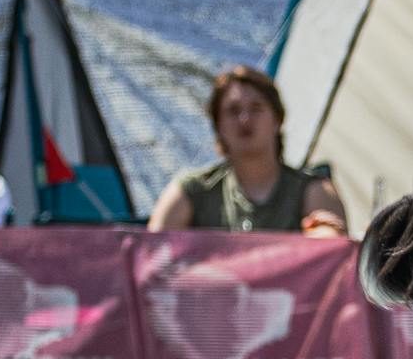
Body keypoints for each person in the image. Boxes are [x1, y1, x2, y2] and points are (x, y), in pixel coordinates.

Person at [149, 66, 348, 236]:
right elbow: (150, 254)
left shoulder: (314, 190)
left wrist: (325, 234)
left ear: (277, 120)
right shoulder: (191, 191)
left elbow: (332, 254)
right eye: (233, 111)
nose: (245, 119)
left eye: (256, 108)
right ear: (218, 127)